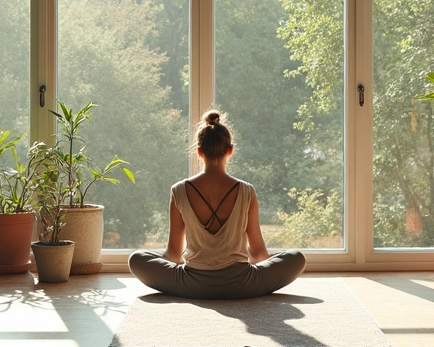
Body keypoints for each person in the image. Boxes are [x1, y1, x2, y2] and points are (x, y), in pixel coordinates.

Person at [129, 110, 306, 299]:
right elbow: (258, 253)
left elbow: (173, 254)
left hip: (192, 285)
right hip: (242, 285)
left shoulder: (178, 190)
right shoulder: (247, 191)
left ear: (198, 151)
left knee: (137, 259)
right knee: (296, 258)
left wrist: (172, 267)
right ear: (230, 150)